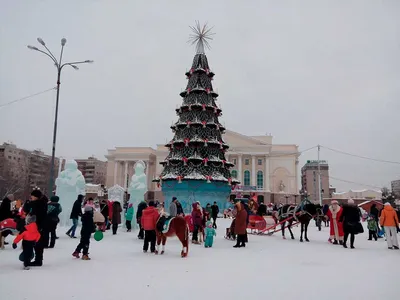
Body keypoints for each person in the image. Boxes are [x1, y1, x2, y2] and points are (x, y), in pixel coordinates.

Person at [23, 190, 48, 266]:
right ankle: (38, 259)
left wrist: (27, 204)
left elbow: (30, 211)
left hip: (38, 226)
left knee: (38, 243)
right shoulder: (42, 202)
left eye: (32, 196)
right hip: (40, 226)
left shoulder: (37, 204)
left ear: (36, 196)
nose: (31, 197)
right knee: (38, 243)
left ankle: (38, 260)